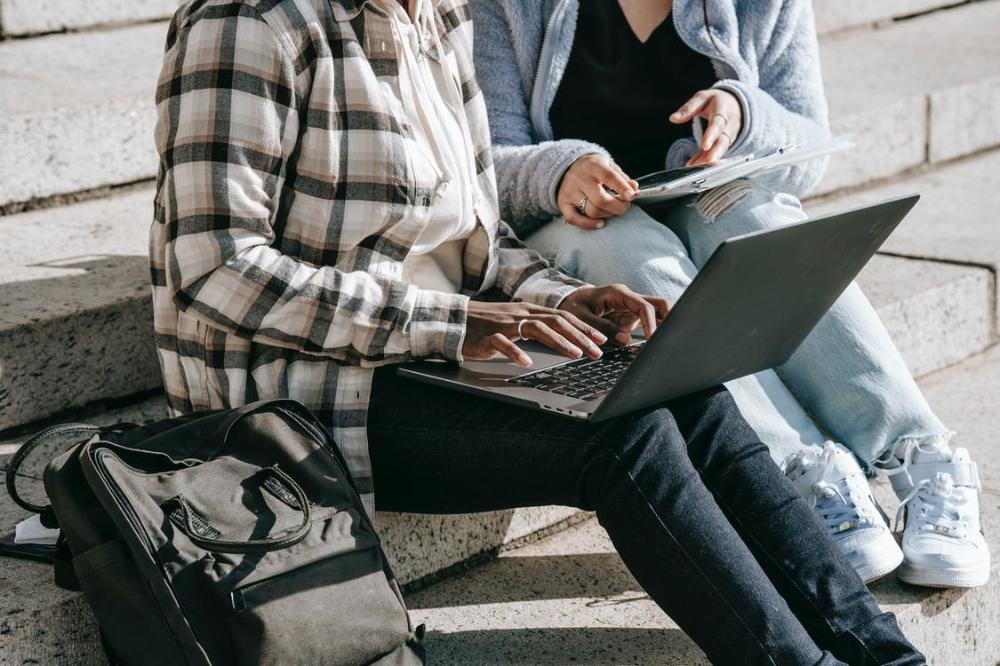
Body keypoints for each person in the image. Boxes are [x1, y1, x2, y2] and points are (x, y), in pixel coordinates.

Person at [149, 0, 927, 662]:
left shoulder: (437, 17)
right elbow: (215, 269)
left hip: (443, 347)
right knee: (625, 436)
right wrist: (451, 323)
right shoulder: (249, 22)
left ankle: (887, 654)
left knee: (682, 382)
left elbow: (479, 240)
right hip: (303, 393)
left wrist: (564, 297)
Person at [471, 0, 990, 590]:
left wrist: (745, 115)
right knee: (629, 255)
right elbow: (483, 163)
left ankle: (921, 456)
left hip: (706, 193)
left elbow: (807, 149)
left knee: (760, 219)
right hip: (578, 219)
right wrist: (559, 171)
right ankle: (799, 469)